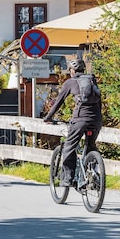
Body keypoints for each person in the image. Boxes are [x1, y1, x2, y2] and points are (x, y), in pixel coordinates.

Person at [42, 59, 102, 187]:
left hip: (80, 119)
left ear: (72, 71)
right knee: (91, 146)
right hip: (96, 120)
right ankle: (94, 174)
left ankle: (67, 179)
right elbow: (99, 101)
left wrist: (48, 117)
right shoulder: (92, 80)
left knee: (69, 146)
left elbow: (58, 102)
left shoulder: (70, 82)